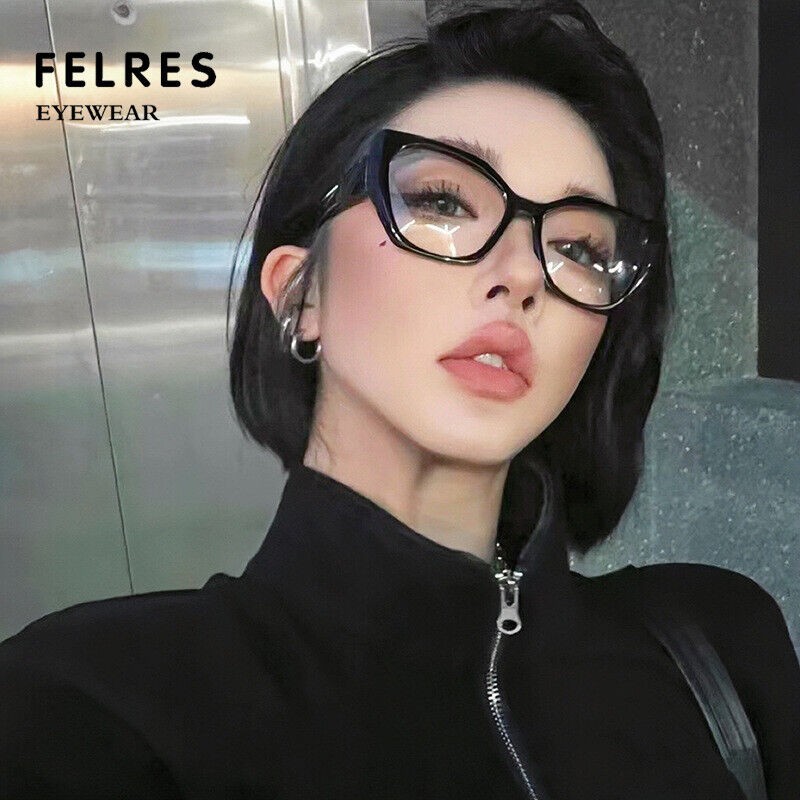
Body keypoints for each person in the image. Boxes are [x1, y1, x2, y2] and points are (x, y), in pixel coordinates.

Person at [1, 2, 798, 798]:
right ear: (300, 293)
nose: (523, 274)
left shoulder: (715, 646)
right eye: (444, 202)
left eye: (577, 248)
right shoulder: (85, 706)